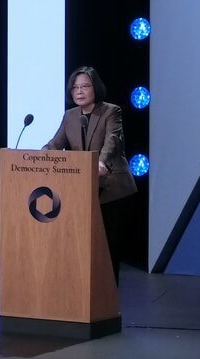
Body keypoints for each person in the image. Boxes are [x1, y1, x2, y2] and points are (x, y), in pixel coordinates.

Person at [43, 66, 138, 283]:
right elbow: (55, 144)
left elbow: (112, 141)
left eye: (85, 86)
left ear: (95, 88)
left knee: (108, 246)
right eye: (75, 87)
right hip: (82, 189)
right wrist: (39, 157)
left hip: (112, 188)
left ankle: (109, 292)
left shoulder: (111, 111)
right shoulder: (70, 116)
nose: (79, 91)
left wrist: (101, 162)